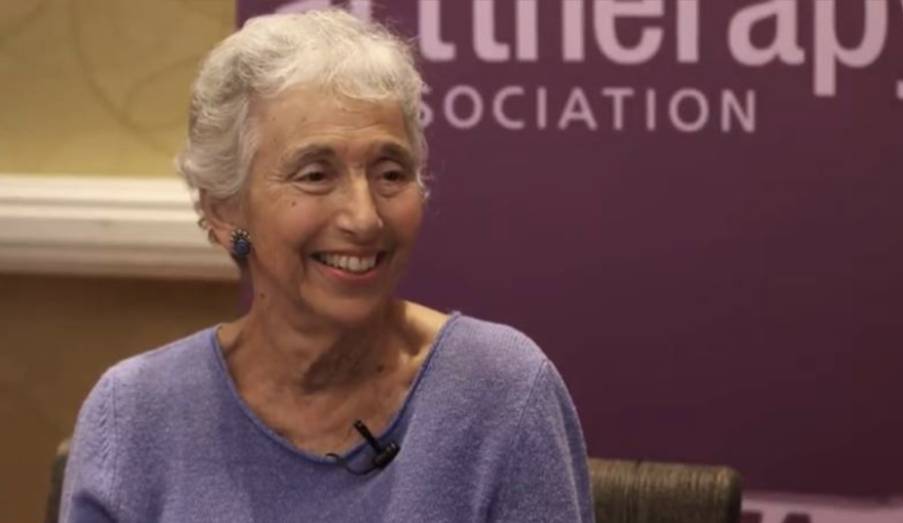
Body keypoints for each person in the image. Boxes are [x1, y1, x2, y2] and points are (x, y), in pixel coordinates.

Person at [60, 9, 593, 522]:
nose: (364, 218)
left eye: (390, 173)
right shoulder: (132, 415)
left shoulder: (502, 393)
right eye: (315, 175)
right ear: (223, 209)